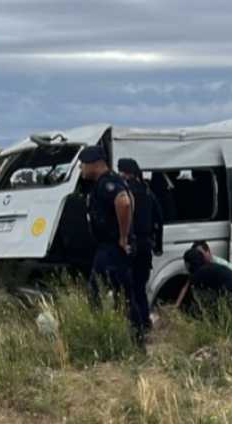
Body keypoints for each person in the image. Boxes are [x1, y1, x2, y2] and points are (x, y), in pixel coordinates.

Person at [80, 146, 146, 344]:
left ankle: (106, 337)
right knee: (121, 294)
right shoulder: (113, 181)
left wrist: (123, 236)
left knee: (99, 293)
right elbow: (130, 199)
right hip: (110, 249)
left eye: (83, 164)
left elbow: (124, 202)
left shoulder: (107, 183)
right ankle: (134, 339)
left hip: (111, 249)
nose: (81, 168)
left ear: (94, 164)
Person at [118, 158, 163, 333]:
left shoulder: (125, 193)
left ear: (125, 173)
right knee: (140, 289)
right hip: (145, 247)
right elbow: (159, 219)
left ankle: (134, 327)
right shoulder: (148, 192)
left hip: (130, 246)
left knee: (128, 289)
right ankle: (144, 323)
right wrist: (158, 245)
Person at [182, 248, 232, 316]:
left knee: (197, 295)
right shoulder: (213, 267)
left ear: (188, 264)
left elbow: (195, 294)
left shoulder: (199, 273)